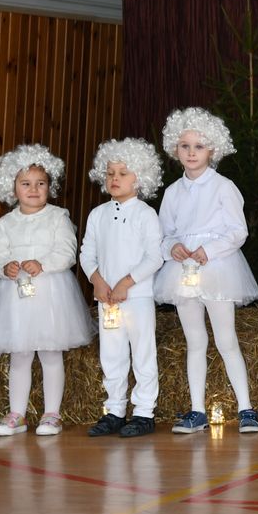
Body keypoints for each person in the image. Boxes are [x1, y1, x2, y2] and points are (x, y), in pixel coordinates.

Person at [155, 108, 258, 434]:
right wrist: (171, 247)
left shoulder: (224, 187)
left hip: (218, 269)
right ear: (175, 149)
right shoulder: (172, 192)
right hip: (183, 271)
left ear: (212, 149)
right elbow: (163, 234)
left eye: (199, 146)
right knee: (195, 341)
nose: (191, 153)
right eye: (185, 146)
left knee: (226, 339)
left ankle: (246, 408)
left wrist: (209, 250)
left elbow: (237, 231)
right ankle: (197, 411)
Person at [0, 144, 94, 436]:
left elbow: (67, 252)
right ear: (12, 187)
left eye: (40, 183)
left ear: (49, 187)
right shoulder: (6, 222)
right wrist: (4, 267)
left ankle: (52, 414)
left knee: (50, 353)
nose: (33, 189)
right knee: (20, 354)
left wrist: (43, 264)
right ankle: (16, 414)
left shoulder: (58, 216)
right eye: (25, 183)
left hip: (51, 294)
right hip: (16, 297)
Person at [80, 138, 165, 438]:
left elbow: (154, 257)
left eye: (123, 173)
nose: (115, 179)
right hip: (107, 300)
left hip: (137, 297)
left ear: (140, 177)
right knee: (112, 355)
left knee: (143, 353)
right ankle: (114, 410)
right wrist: (97, 280)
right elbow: (87, 253)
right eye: (110, 173)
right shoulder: (97, 214)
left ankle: (144, 412)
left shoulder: (145, 214)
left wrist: (126, 283)